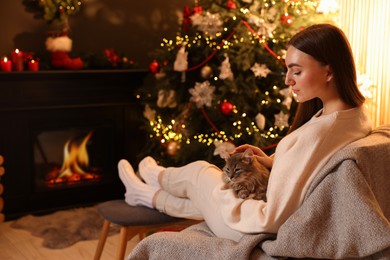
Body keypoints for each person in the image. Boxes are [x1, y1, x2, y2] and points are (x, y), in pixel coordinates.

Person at [118, 23, 372, 242]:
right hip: (266, 215)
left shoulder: (322, 132)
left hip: (253, 229)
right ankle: (147, 195)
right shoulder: (353, 116)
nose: (287, 80)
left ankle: (155, 176)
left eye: (297, 71)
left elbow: (273, 217)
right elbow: (308, 173)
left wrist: (235, 205)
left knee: (201, 173)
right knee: (206, 193)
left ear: (329, 71)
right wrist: (271, 162)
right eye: (287, 71)